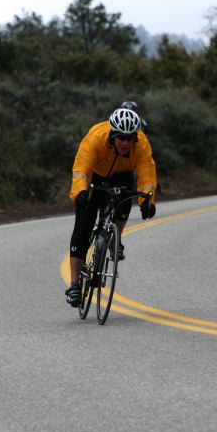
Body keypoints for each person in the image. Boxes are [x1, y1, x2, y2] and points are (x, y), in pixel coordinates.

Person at [65, 107, 157, 307]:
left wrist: (147, 201)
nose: (125, 143)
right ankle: (74, 285)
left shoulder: (141, 145)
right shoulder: (96, 137)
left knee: (125, 201)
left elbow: (147, 175)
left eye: (130, 138)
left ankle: (116, 239)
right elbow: (81, 169)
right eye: (121, 138)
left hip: (121, 174)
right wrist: (80, 192)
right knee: (83, 228)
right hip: (94, 176)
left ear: (136, 138)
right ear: (112, 135)